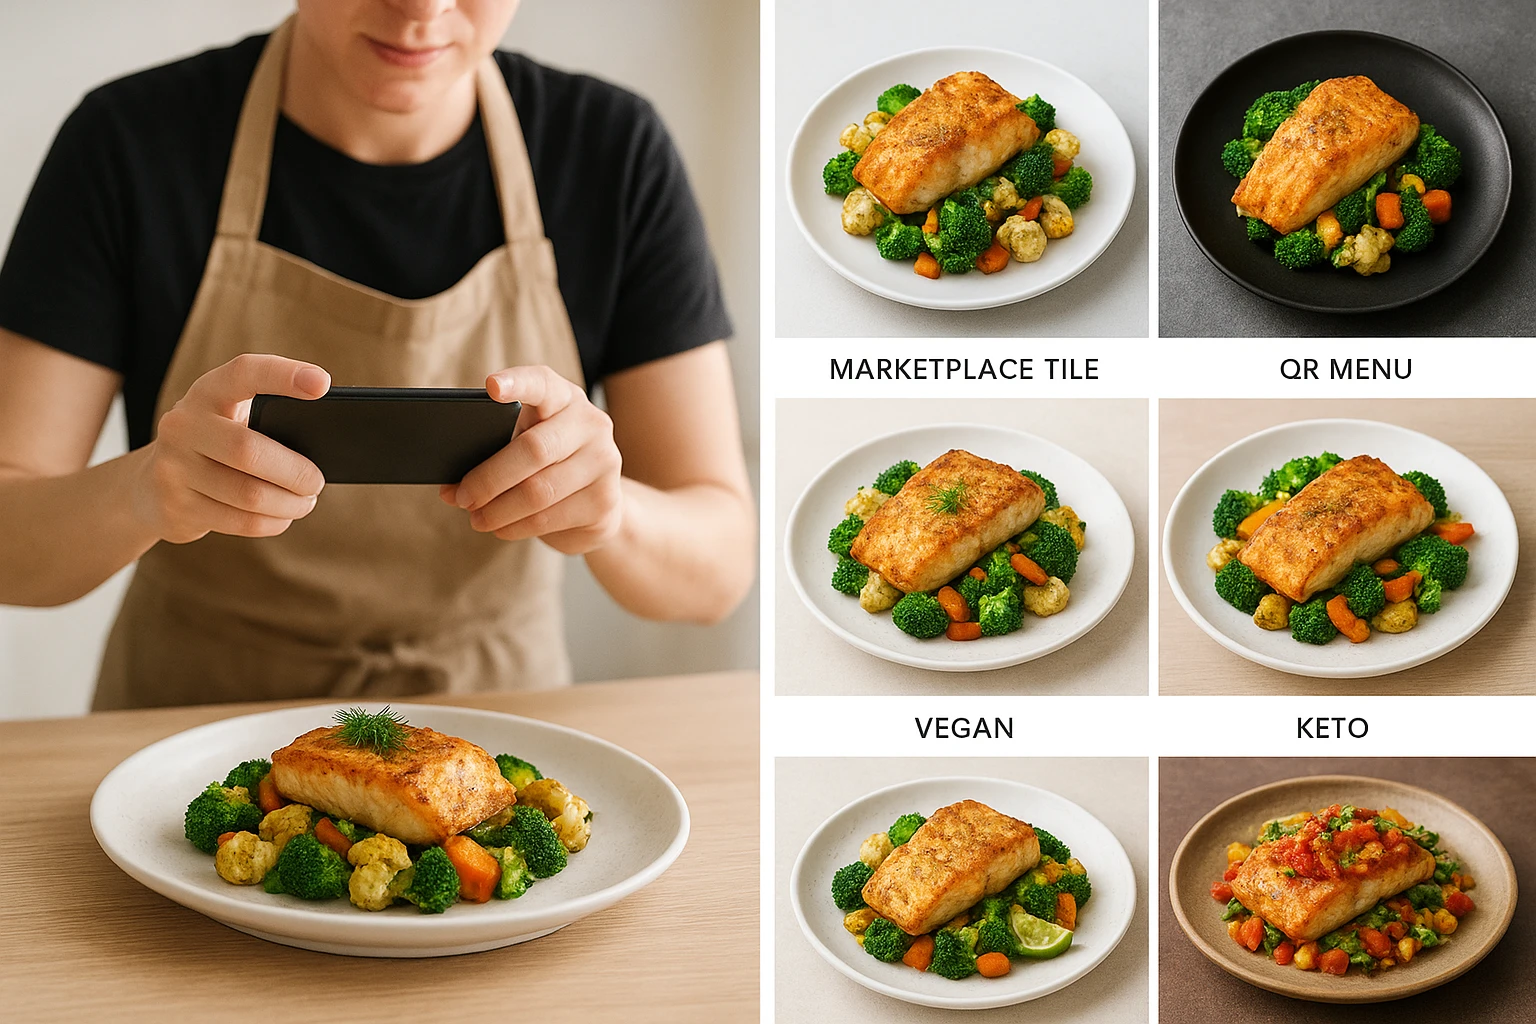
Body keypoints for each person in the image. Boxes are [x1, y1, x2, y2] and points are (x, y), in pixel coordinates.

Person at [0, 0, 755, 708]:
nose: (423, 8)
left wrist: (611, 514)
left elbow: (718, 571)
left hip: (495, 733)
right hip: (185, 736)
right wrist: (143, 491)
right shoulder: (129, 142)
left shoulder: (611, 151)